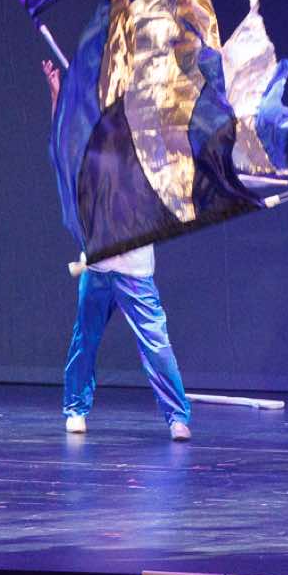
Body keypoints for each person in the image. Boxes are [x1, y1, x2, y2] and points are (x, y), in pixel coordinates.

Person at [41, 62, 191, 439]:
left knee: (157, 346)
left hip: (135, 272)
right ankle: (75, 409)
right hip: (97, 269)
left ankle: (177, 417)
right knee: (85, 341)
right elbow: (64, 142)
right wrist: (57, 95)